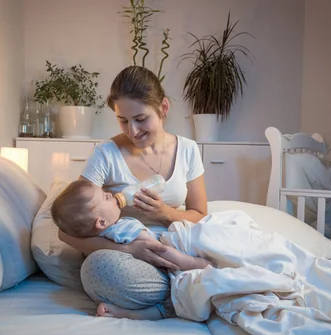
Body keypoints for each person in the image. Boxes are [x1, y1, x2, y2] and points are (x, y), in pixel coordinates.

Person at [57, 65, 207, 320]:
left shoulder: (188, 150)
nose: (132, 131)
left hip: (177, 248)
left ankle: (186, 290)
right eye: (123, 120)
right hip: (130, 258)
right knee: (96, 270)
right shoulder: (106, 154)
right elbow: (67, 231)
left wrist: (165, 213)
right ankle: (198, 288)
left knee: (230, 240)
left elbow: (201, 215)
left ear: (163, 108)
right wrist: (129, 251)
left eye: (140, 119)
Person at [51, 179, 211, 271]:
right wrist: (192, 263)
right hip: (170, 251)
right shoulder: (122, 229)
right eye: (105, 198)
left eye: (141, 119)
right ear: (101, 222)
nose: (109, 193)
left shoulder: (108, 231)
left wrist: (162, 211)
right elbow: (157, 249)